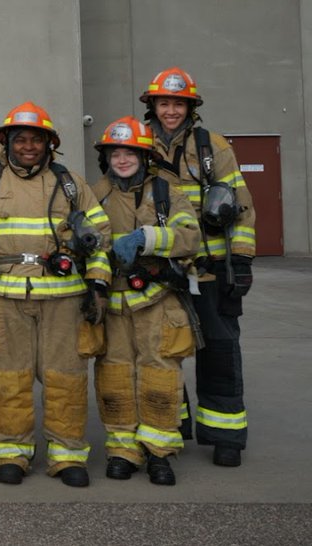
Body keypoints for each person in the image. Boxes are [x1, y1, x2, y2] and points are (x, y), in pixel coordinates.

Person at [0, 102, 112, 487]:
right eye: (20, 139)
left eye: (36, 140)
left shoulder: (71, 185)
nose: (28, 146)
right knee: (9, 379)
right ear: (7, 143)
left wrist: (98, 284)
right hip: (4, 300)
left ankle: (67, 455)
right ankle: (11, 452)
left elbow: (100, 239)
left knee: (66, 378)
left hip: (63, 300)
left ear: (49, 144)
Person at [140, 67, 256, 467]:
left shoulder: (213, 147)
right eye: (164, 103)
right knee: (163, 350)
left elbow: (240, 205)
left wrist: (241, 260)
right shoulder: (139, 143)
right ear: (153, 105)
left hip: (210, 269)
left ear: (191, 107)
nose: (171, 111)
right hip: (163, 269)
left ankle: (225, 435)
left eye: (179, 103)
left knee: (220, 350)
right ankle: (170, 428)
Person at [91, 116, 200, 485]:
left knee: (159, 374)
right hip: (113, 301)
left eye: (130, 153)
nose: (122, 160)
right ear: (107, 158)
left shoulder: (167, 192)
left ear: (144, 156)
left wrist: (147, 238)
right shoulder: (96, 193)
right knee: (114, 375)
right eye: (115, 153)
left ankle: (159, 454)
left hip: (158, 299)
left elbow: (190, 236)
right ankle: (123, 451)